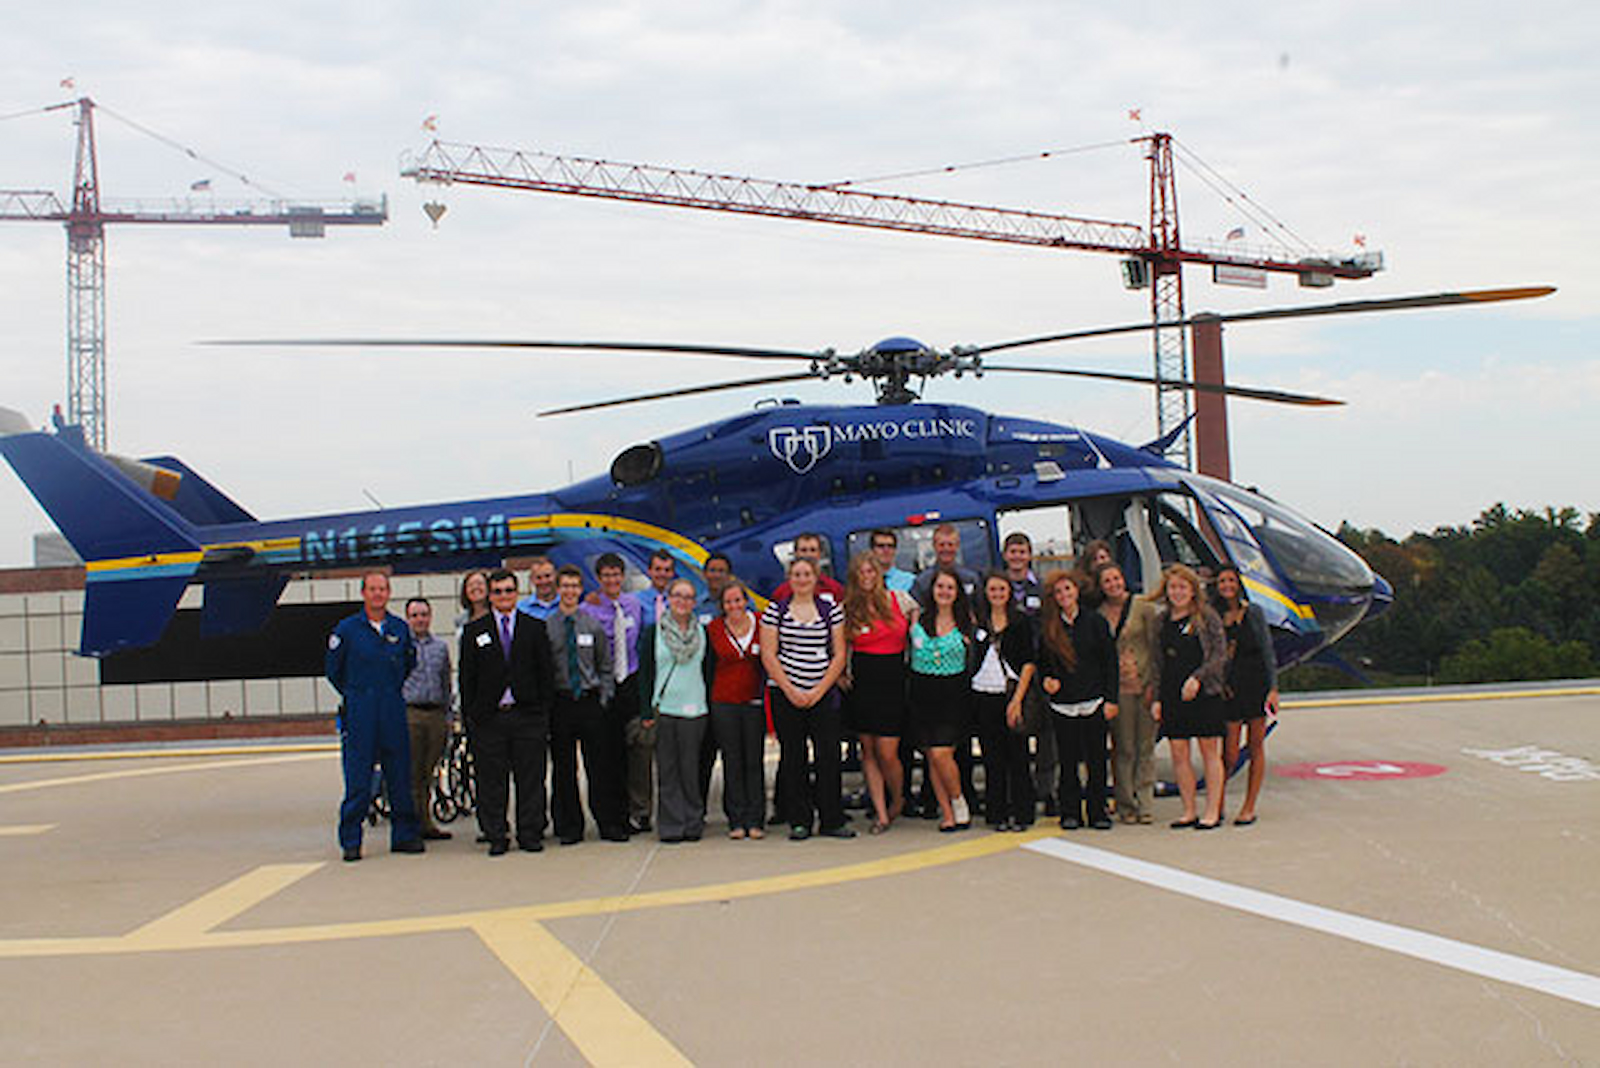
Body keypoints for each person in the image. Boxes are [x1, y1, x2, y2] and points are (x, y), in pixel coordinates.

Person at [326, 572, 424, 862]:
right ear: (363, 593)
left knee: (399, 775)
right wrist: (358, 694)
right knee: (358, 779)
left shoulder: (398, 628)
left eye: (383, 589)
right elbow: (334, 670)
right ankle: (351, 840)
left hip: (392, 706)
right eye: (373, 589)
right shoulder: (346, 630)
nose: (378, 594)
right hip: (360, 708)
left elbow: (408, 663)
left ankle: (405, 835)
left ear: (389, 592)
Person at [459, 568, 556, 855]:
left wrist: (542, 714)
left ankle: (530, 832)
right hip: (490, 719)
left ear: (517, 593)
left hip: (527, 717)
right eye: (498, 591)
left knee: (530, 778)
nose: (503, 596)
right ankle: (496, 834)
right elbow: (467, 679)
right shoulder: (474, 632)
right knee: (491, 781)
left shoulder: (534, 627)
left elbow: (545, 674)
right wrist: (472, 718)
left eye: (509, 591)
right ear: (490, 595)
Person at [760, 556, 853, 840]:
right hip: (786, 693)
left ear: (816, 578)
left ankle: (832, 819)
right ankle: (799, 819)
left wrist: (818, 691)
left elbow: (838, 654)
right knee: (794, 757)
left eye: (807, 574)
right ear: (789, 578)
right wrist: (790, 690)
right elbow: (768, 653)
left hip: (822, 694)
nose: (801, 579)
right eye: (796, 574)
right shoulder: (775, 611)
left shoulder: (831, 610)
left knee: (828, 756)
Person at [545, 565, 629, 844]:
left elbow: (605, 665)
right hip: (561, 701)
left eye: (574, 586)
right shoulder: (548, 626)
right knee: (564, 768)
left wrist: (604, 697)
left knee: (599, 766)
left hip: (590, 700)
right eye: (565, 586)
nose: (569, 591)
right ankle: (569, 826)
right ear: (558, 590)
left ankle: (608, 822)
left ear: (581, 590)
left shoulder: (591, 624)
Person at [1147, 564, 1229, 830]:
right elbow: (1157, 662)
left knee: (1209, 752)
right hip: (1172, 694)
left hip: (1204, 693)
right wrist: (1158, 698)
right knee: (1179, 753)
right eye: (1173, 587)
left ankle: (1213, 811)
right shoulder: (1161, 622)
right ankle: (1189, 809)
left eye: (1183, 587)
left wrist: (1198, 677)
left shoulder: (1207, 617)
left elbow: (1219, 654)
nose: (1177, 592)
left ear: (1193, 590)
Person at [1037, 570, 1118, 830]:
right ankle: (1070, 811)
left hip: (1093, 701)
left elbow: (1110, 663)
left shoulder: (1095, 622)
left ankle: (1098, 811)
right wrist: (1046, 679)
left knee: (1096, 760)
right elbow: (1042, 662)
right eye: (1058, 592)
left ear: (1077, 591)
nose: (1064, 596)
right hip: (1063, 704)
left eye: (1068, 590)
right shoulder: (1049, 626)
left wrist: (1111, 699)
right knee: (1068, 761)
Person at [841, 551, 916, 833]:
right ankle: (881, 813)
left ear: (879, 574)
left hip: (893, 681)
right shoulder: (848, 608)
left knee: (888, 752)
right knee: (868, 751)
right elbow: (839, 647)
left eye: (871, 572)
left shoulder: (900, 600)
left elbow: (920, 630)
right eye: (861, 573)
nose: (867, 578)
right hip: (862, 683)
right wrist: (840, 673)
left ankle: (898, 798)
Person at [639, 578, 716, 843]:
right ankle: (671, 826)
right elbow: (646, 673)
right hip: (665, 709)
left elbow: (708, 672)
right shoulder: (653, 632)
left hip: (695, 710)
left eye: (688, 597)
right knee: (668, 771)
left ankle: (693, 823)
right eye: (678, 596)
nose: (683, 602)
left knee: (691, 770)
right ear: (669, 598)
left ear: (695, 603)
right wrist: (646, 711)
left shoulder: (703, 632)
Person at [583, 553, 653, 835]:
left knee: (636, 750)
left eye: (616, 575)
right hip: (605, 683)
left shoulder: (633, 605)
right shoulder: (589, 609)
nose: (612, 580)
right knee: (608, 753)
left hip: (631, 681)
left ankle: (638, 811)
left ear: (622, 577)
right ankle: (612, 814)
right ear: (599, 580)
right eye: (606, 576)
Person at [908, 568, 975, 832]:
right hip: (922, 695)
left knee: (941, 752)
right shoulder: (918, 620)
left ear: (957, 592)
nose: (944, 592)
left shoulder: (966, 623)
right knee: (932, 757)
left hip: (953, 696)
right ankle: (946, 813)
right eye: (940, 587)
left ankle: (959, 801)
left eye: (949, 587)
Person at [969, 572, 1037, 831]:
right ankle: (996, 813)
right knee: (992, 757)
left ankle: (1022, 813)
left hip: (1010, 694)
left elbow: (1029, 663)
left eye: (1001, 590)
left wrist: (1017, 700)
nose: (997, 595)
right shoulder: (979, 623)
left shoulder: (1020, 622)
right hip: (983, 694)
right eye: (992, 590)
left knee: (1018, 756)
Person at [1213, 565, 1280, 826]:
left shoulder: (1254, 613)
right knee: (1228, 752)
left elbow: (1267, 651)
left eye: (1231, 580)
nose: (1227, 585)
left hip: (1256, 684)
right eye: (1222, 581)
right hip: (1229, 688)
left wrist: (1273, 688)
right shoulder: (1214, 615)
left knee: (1256, 745)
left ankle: (1249, 806)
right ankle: (1217, 803)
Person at [1097, 564, 1159, 824]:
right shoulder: (1098, 614)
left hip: (1143, 684)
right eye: (1107, 581)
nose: (1113, 584)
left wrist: (1154, 686)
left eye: (1116, 578)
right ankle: (1125, 803)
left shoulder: (1143, 607)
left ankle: (1145, 801)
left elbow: (1156, 647)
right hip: (1117, 689)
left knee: (1145, 747)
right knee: (1123, 748)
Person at [707, 581, 767, 839]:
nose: (734, 606)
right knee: (732, 761)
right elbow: (708, 667)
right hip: (724, 702)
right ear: (722, 606)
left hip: (753, 702)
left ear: (746, 601)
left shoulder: (761, 623)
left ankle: (756, 819)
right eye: (729, 602)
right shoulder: (713, 629)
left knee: (754, 761)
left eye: (738, 600)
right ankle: (736, 820)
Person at [402, 596, 454, 842]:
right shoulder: (400, 645)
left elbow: (446, 681)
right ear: (407, 618)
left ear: (430, 617)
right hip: (410, 713)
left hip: (435, 714)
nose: (420, 619)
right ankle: (413, 825)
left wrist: (448, 715)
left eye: (423, 615)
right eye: (414, 615)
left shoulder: (440, 647)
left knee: (429, 771)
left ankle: (426, 821)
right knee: (412, 771)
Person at [910, 523, 980, 602]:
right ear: (934, 546)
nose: (946, 549)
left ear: (957, 546)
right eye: (941, 545)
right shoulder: (922, 582)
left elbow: (980, 609)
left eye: (950, 544)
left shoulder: (971, 579)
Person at [771, 532, 846, 603]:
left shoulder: (835, 588)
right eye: (803, 550)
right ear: (796, 553)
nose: (808, 555)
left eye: (813, 550)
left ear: (819, 554)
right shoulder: (782, 592)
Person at [869, 528, 915, 593]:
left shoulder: (910, 581)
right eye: (881, 546)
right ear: (872, 550)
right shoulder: (865, 580)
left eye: (890, 546)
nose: (886, 550)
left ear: (895, 550)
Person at [517, 556, 560, 621]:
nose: (544, 581)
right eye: (538, 578)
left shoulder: (567, 604)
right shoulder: (521, 609)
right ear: (531, 579)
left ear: (556, 576)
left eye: (547, 576)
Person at [698, 552, 734, 621]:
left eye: (721, 571)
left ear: (729, 575)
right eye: (712, 570)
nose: (717, 575)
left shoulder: (743, 603)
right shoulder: (697, 606)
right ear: (704, 574)